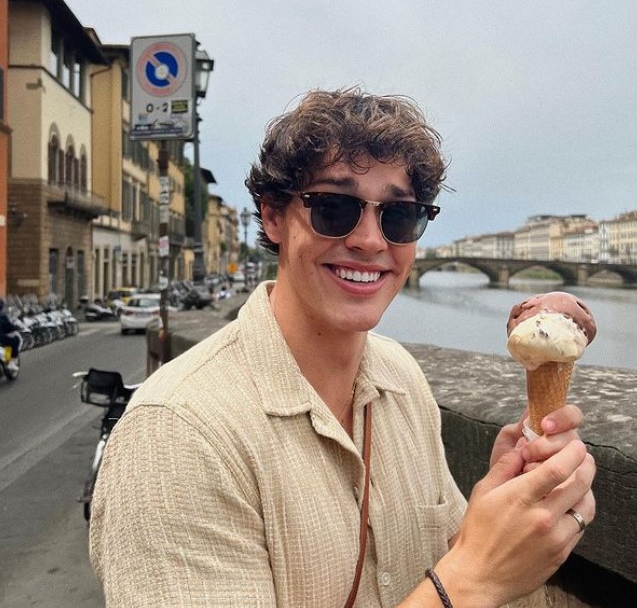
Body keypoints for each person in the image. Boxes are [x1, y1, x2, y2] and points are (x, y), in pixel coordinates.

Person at [90, 88, 595, 608]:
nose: (371, 240)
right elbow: (466, 579)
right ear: (272, 217)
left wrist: (500, 511)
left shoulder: (403, 379)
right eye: (334, 207)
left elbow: (461, 558)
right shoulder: (175, 433)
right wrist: (471, 582)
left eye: (399, 215)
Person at [0, 298, 21, 373]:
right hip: (1, 338)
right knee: (15, 340)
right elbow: (9, 327)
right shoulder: (2, 316)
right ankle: (10, 362)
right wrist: (16, 327)